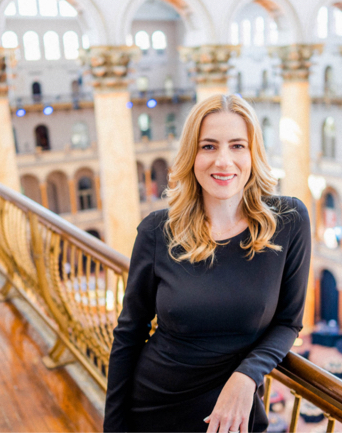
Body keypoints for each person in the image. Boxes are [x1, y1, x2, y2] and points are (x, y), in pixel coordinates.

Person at [104, 94, 311, 432]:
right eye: (209, 146)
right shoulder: (157, 231)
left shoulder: (288, 221)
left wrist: (246, 376)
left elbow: (289, 322)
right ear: (192, 155)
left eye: (238, 146)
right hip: (156, 407)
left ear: (253, 153)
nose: (223, 161)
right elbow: (129, 334)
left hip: (235, 414)